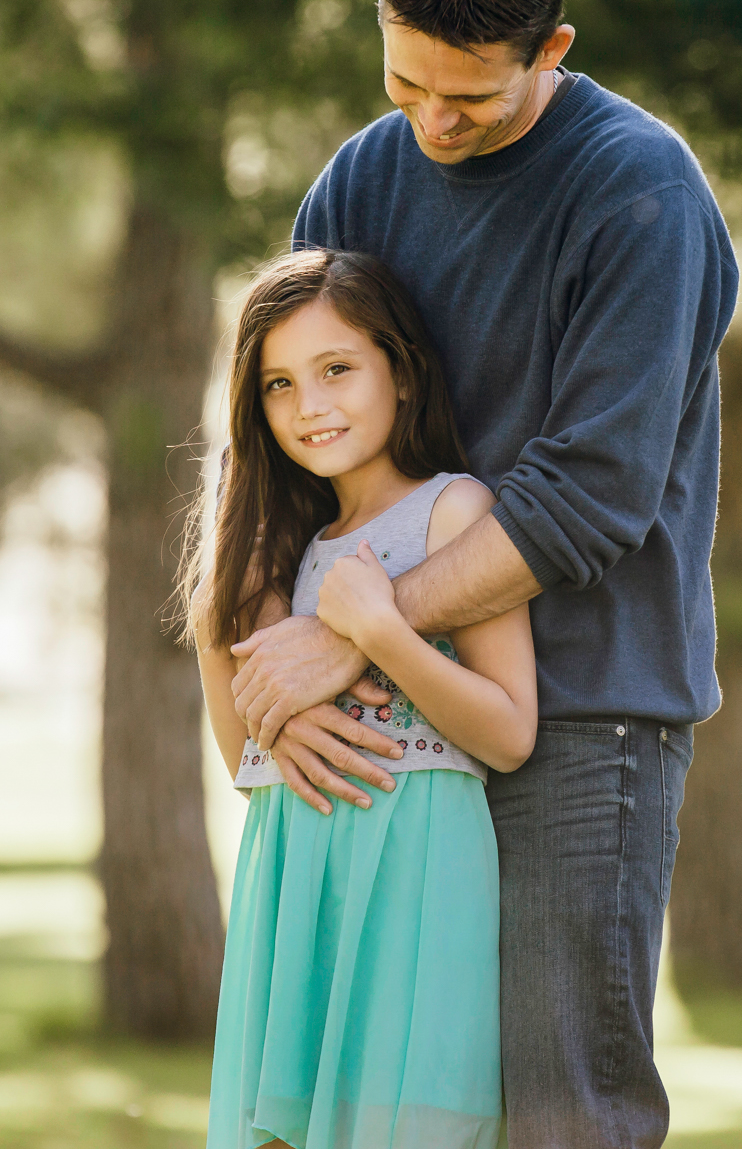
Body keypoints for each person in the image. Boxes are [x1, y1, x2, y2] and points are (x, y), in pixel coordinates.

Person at [230, 0, 738, 1148]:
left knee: (559, 1115)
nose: (433, 123)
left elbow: (591, 495)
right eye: (406, 84)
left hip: (578, 713)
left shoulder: (640, 192)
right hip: (382, 736)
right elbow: (277, 440)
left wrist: (359, 630)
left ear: (552, 50)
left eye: (470, 95)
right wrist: (275, 688)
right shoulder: (360, 177)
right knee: (374, 1112)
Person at [190, 248, 537, 1149]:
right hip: (294, 882)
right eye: (278, 384)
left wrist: (379, 633)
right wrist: (210, 634)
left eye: (337, 369)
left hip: (417, 880)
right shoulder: (288, 545)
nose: (309, 407)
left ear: (401, 369)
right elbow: (249, 766)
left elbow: (509, 731)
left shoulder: (453, 514)